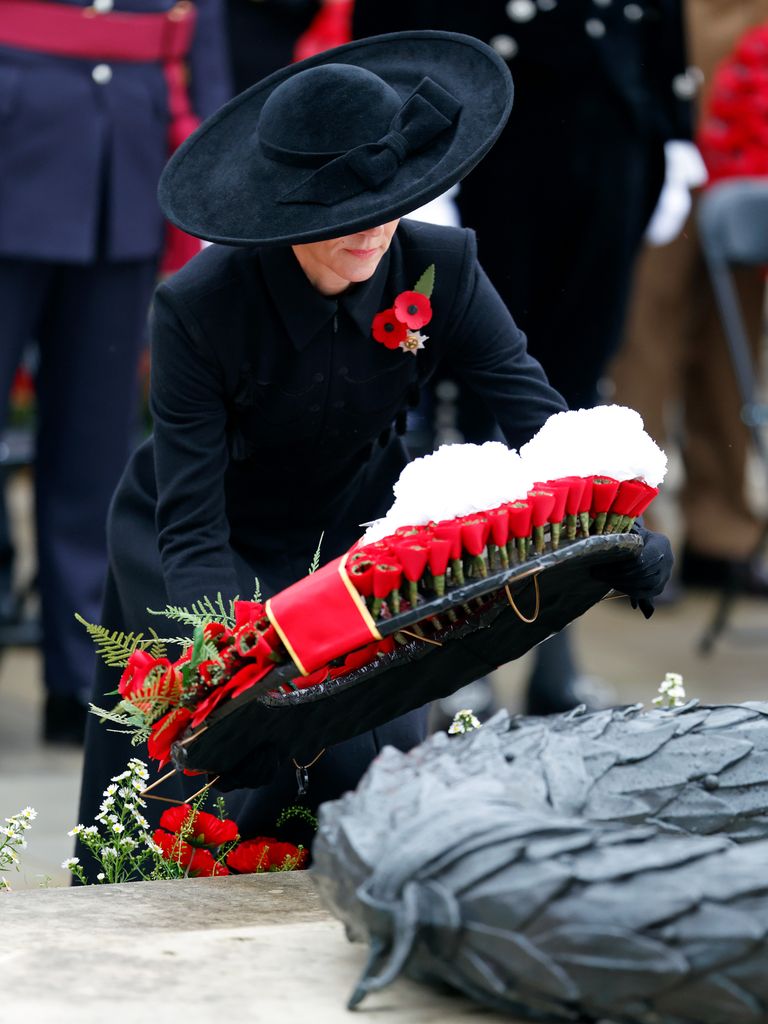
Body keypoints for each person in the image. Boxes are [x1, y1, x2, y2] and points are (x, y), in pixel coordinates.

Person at [76, 30, 673, 874]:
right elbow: (191, 531)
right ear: (282, 214)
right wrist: (229, 676)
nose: (372, 233)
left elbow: (539, 423)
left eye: (388, 206)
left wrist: (617, 520)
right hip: (205, 534)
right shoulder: (196, 309)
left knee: (369, 754)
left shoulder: (444, 268)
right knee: (204, 778)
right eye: (341, 222)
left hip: (350, 528)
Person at [352, 1, 692, 713]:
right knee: (477, 401)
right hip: (488, 139)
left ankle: (550, 646)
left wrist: (672, 123)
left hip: (612, 128)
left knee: (571, 403)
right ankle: (460, 645)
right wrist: (406, 144)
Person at [0, 0, 232, 744]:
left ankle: (81, 679)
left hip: (130, 163)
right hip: (13, 137)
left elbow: (203, 43)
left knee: (96, 457)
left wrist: (212, 168)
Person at [611, 0, 768, 598]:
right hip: (665, 122)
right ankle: (630, 536)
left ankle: (721, 532)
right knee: (649, 334)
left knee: (733, 345)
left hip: (749, 132)